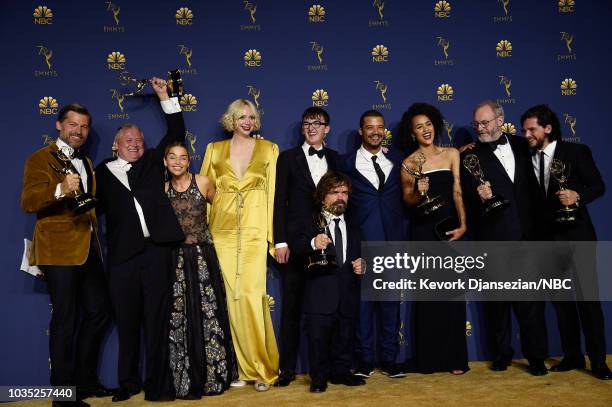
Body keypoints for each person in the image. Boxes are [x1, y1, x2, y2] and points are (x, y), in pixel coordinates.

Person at [95, 78, 186, 402]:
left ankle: (159, 384)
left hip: (156, 252)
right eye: (128, 139)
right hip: (122, 259)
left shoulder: (151, 163)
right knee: (128, 323)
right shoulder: (100, 173)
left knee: (157, 321)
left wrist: (165, 95)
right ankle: (128, 383)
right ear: (116, 145)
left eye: (139, 139)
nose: (134, 143)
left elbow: (176, 131)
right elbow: (91, 212)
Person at [21, 104, 112, 407]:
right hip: (58, 251)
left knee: (99, 312)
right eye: (73, 124)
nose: (79, 131)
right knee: (65, 320)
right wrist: (59, 188)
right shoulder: (40, 158)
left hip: (88, 250)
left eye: (84, 126)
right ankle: (62, 396)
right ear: (59, 125)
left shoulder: (85, 160)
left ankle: (83, 382)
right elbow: (29, 201)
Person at [521, 104, 611, 380]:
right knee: (561, 302)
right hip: (547, 241)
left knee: (588, 301)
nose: (526, 134)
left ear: (548, 128)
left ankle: (598, 361)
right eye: (524, 130)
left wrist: (577, 195)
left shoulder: (576, 152)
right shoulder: (527, 157)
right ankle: (572, 355)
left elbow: (598, 186)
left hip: (578, 237)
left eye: (531, 129)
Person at [460, 100, 548, 376]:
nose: (481, 128)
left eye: (485, 122)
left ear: (500, 120)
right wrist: (478, 196)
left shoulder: (525, 146)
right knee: (497, 302)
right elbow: (462, 198)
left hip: (527, 238)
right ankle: (502, 354)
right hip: (493, 238)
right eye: (477, 124)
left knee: (531, 303)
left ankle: (536, 358)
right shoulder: (469, 156)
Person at [200, 99, 279, 391]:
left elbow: (272, 193)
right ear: (230, 120)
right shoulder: (214, 150)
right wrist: (204, 234)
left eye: (251, 117)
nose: (246, 121)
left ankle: (262, 368)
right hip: (222, 231)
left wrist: (273, 236)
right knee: (229, 299)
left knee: (250, 294)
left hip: (255, 231)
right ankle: (236, 367)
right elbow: (204, 190)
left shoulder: (269, 149)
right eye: (240, 116)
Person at [162, 142, 239, 398]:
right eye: (172, 157)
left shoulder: (203, 182)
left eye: (182, 157)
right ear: (165, 161)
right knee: (180, 317)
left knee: (209, 315)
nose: (177, 162)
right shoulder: (162, 189)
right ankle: (183, 377)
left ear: (189, 161)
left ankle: (214, 376)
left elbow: (223, 214)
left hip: (202, 256)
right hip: (175, 260)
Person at [399, 102, 468, 374]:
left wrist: (463, 225)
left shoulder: (452, 154)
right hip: (423, 233)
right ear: (412, 133)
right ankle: (428, 359)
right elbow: (408, 200)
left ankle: (455, 359)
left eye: (428, 124)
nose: (425, 130)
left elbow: (458, 191)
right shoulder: (408, 163)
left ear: (435, 125)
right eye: (419, 127)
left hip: (449, 231)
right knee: (428, 297)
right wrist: (418, 189)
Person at [273, 107, 339, 387]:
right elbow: (278, 201)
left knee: (323, 311)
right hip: (296, 243)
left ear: (328, 129)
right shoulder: (287, 159)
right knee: (291, 309)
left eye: (318, 123)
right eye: (307, 123)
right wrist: (280, 240)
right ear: (302, 129)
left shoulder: (337, 158)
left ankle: (323, 371)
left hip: (327, 243)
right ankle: (287, 370)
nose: (312, 127)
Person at [339, 110, 407, 379]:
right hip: (362, 242)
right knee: (363, 306)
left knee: (391, 305)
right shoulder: (346, 163)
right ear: (361, 131)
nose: (375, 131)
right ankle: (365, 359)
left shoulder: (398, 159)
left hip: (392, 242)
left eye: (379, 127)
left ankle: (389, 360)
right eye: (370, 127)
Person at [293, 171, 365, 393]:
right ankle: (319, 378)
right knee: (318, 339)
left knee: (345, 335)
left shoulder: (354, 225)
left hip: (347, 292)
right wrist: (314, 242)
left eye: (344, 192)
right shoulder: (311, 221)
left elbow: (362, 254)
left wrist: (363, 264)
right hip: (320, 293)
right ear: (323, 196)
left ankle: (342, 373)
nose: (340, 197)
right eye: (334, 192)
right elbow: (296, 246)